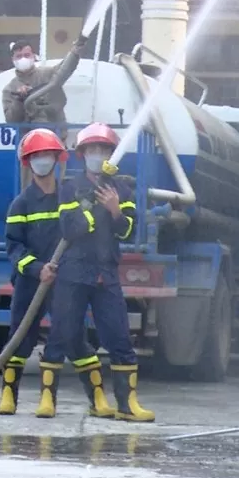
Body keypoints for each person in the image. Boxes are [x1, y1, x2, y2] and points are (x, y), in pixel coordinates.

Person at [53, 122, 154, 422]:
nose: (97, 154)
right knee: (69, 334)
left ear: (112, 154)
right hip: (73, 271)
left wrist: (115, 211)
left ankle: (127, 405)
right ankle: (96, 395)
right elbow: (69, 228)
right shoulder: (70, 188)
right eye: (92, 150)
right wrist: (91, 210)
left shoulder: (122, 190)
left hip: (105, 272)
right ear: (82, 154)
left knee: (118, 335)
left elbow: (128, 232)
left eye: (103, 150)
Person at [0, 128, 95, 418]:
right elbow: (13, 248)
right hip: (31, 282)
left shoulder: (69, 196)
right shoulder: (21, 204)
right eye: (36, 156)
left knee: (69, 335)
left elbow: (84, 231)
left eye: (47, 155)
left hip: (65, 283)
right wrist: (38, 269)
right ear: (28, 162)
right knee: (20, 335)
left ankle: (62, 399)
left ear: (57, 159)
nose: (42, 160)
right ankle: (8, 395)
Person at [0, 37, 87, 129]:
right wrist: (19, 101)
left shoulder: (48, 74)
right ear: (12, 59)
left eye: (26, 55)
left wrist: (75, 52)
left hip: (55, 134)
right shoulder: (9, 89)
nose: (23, 59)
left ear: (33, 56)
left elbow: (65, 68)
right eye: (19, 56)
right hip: (27, 137)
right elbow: (11, 121)